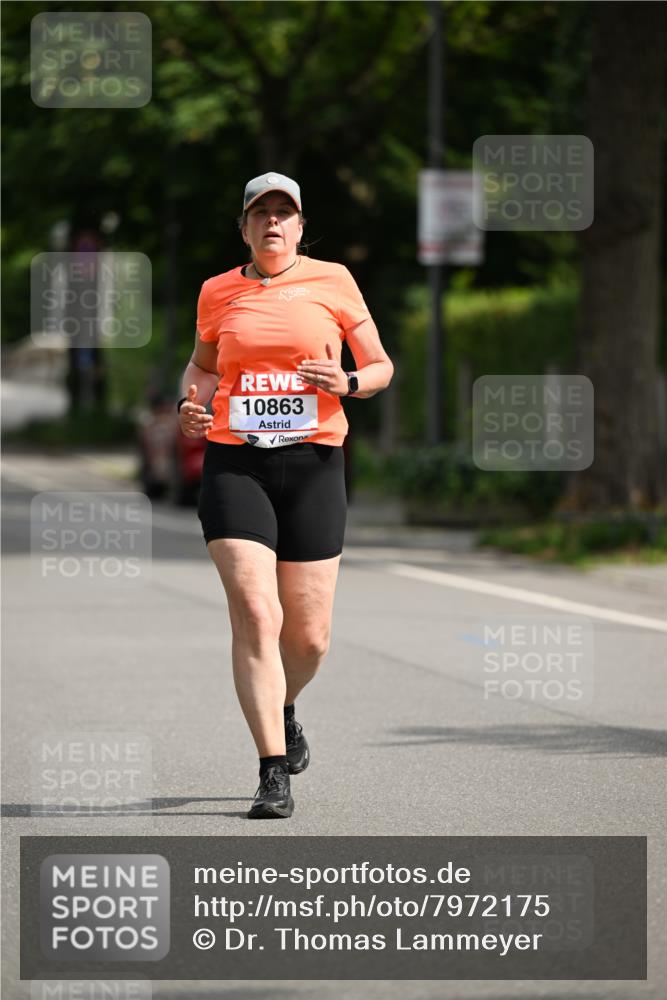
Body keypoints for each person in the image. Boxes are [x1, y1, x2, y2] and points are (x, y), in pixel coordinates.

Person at [177, 172, 393, 818]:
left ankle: (285, 706)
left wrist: (348, 380)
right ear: (243, 227)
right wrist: (192, 404)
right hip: (235, 462)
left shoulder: (333, 282)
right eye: (260, 213)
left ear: (300, 227)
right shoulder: (218, 291)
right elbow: (202, 367)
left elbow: (380, 366)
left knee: (309, 638)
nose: (272, 223)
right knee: (255, 612)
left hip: (314, 463)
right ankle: (273, 771)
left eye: (284, 213)